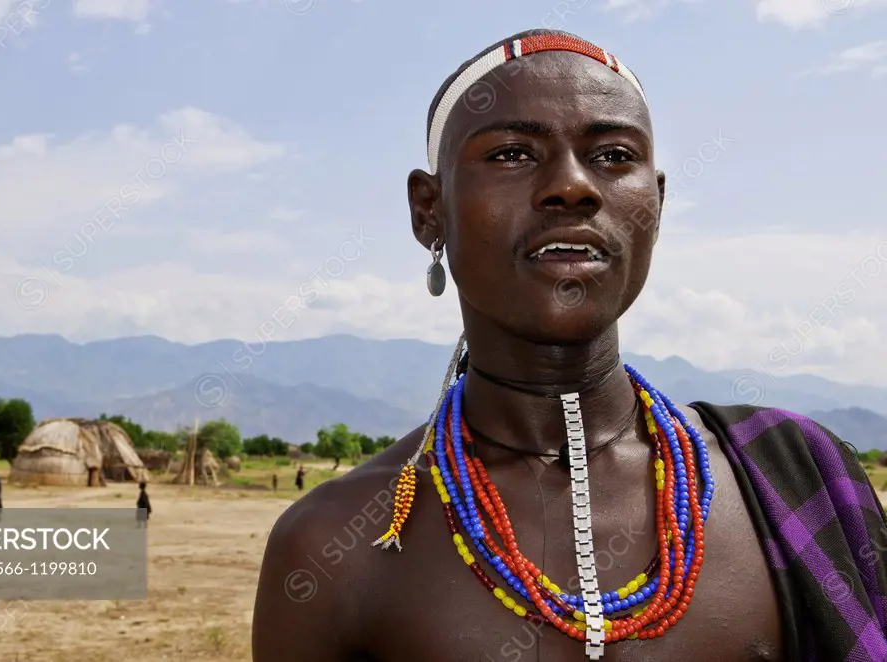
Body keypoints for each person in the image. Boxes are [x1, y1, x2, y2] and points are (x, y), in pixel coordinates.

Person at [252, 29, 887, 661]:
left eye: (613, 155)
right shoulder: (333, 545)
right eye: (511, 153)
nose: (574, 186)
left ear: (656, 206)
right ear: (429, 210)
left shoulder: (792, 477)